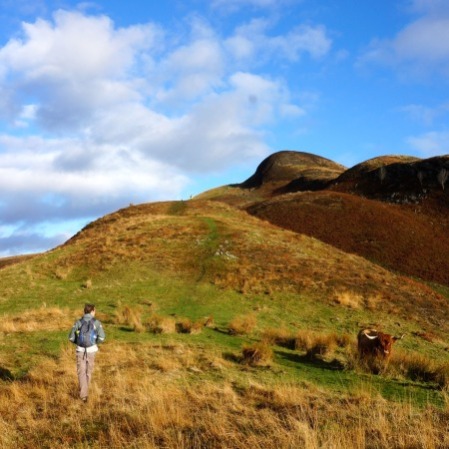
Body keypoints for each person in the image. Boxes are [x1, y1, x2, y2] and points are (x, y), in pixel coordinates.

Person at [68, 303, 105, 402]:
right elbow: (102, 337)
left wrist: (78, 343)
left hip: (80, 350)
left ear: (84, 311)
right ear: (92, 311)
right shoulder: (96, 322)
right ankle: (84, 394)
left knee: (81, 372)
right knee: (88, 372)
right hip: (91, 351)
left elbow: (71, 337)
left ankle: (84, 395)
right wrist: (94, 343)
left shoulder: (78, 322)